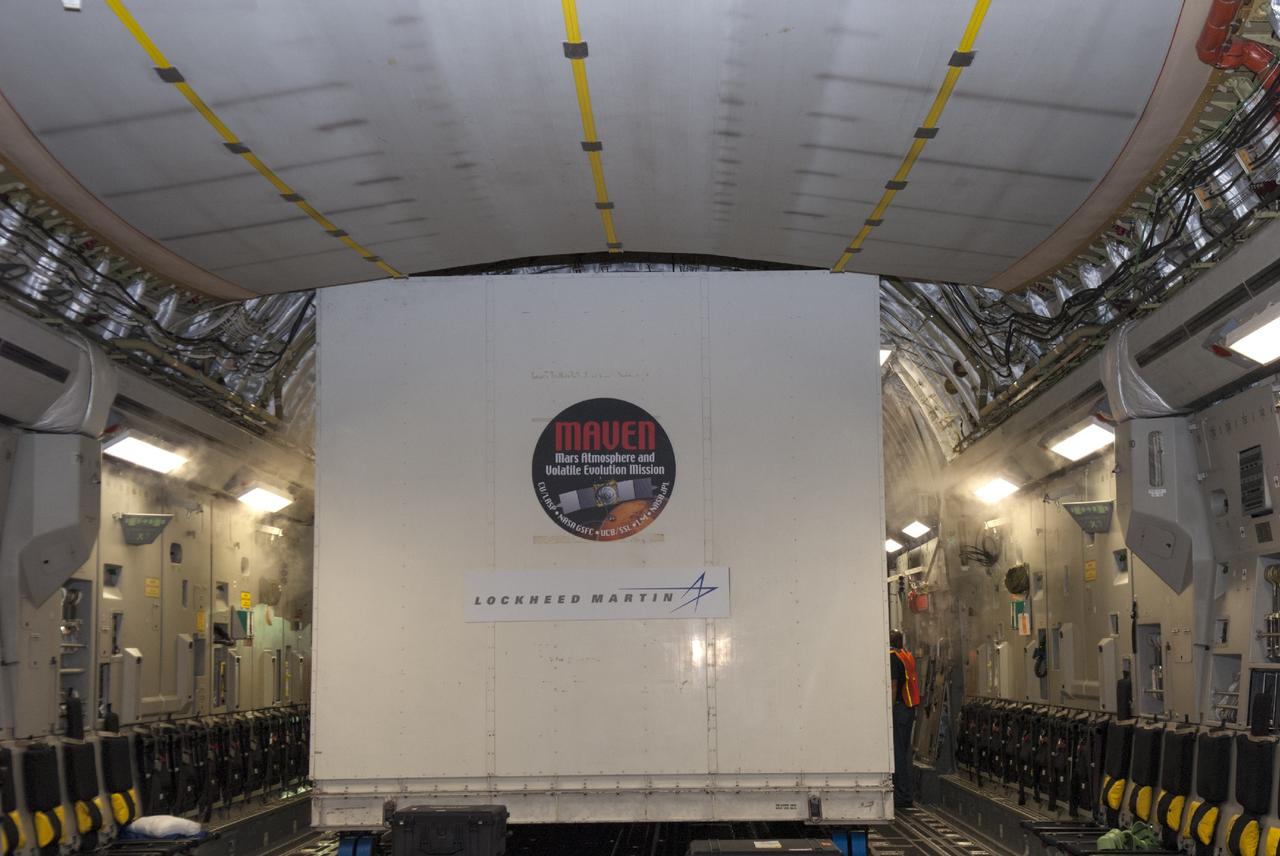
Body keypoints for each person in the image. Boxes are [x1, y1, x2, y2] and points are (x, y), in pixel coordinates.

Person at [889, 629, 920, 808]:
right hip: (909, 707)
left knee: (898, 753)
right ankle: (906, 792)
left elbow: (893, 686)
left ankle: (902, 795)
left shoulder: (893, 657)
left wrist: (888, 709)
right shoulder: (907, 655)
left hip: (899, 708)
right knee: (905, 751)